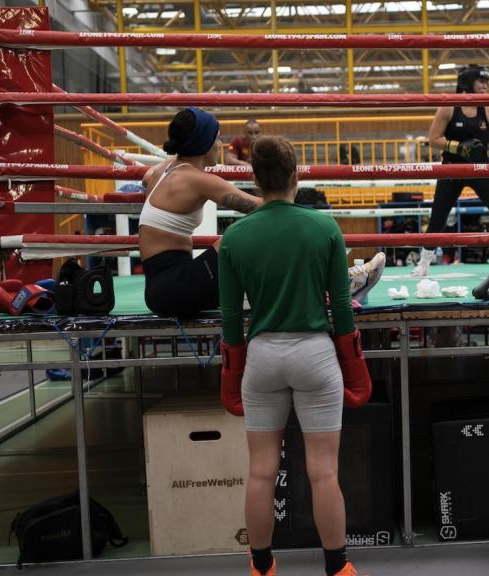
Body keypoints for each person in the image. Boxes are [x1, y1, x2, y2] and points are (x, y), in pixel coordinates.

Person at [218, 135, 365, 576]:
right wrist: (354, 366)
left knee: (261, 472)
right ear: (295, 175)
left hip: (263, 356)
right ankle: (338, 569)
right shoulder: (324, 228)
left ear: (254, 179)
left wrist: (232, 371)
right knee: (323, 473)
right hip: (315, 355)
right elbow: (341, 308)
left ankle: (262, 568)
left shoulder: (235, 237)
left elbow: (229, 317)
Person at [411, 64, 489, 276]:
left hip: (481, 168)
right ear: (468, 82)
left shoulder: (487, 108)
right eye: (482, 81)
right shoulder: (449, 106)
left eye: (487, 82)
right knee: (438, 217)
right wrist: (459, 147)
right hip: (452, 168)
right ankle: (423, 264)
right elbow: (433, 139)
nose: (486, 86)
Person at [139, 107, 262, 318]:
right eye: (217, 138)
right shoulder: (197, 179)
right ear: (205, 144)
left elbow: (145, 177)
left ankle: (247, 294)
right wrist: (289, 183)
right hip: (175, 289)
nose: (220, 144)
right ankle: (257, 294)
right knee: (239, 233)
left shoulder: (165, 169)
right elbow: (264, 206)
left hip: (161, 288)